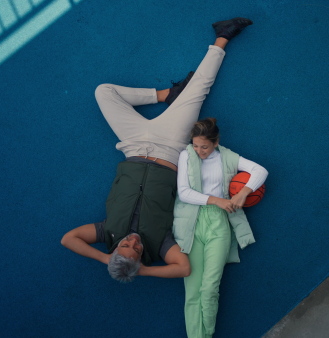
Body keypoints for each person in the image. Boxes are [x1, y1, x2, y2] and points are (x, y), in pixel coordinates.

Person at [60, 17, 254, 283]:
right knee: (199, 89)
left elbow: (68, 238)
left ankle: (165, 95)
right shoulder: (159, 244)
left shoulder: (108, 233)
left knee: (104, 91)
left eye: (124, 247)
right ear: (141, 258)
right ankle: (223, 37)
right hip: (170, 148)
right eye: (136, 251)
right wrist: (145, 269)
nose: (133, 242)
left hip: (133, 145)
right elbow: (183, 268)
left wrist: (106, 257)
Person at [173, 117, 268, 337]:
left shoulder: (227, 157)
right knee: (193, 292)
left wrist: (244, 192)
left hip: (219, 224)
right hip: (192, 224)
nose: (199, 151)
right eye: (195, 145)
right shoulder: (186, 155)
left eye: (204, 146)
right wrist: (217, 200)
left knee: (209, 288)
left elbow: (260, 171)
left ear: (216, 142)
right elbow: (184, 192)